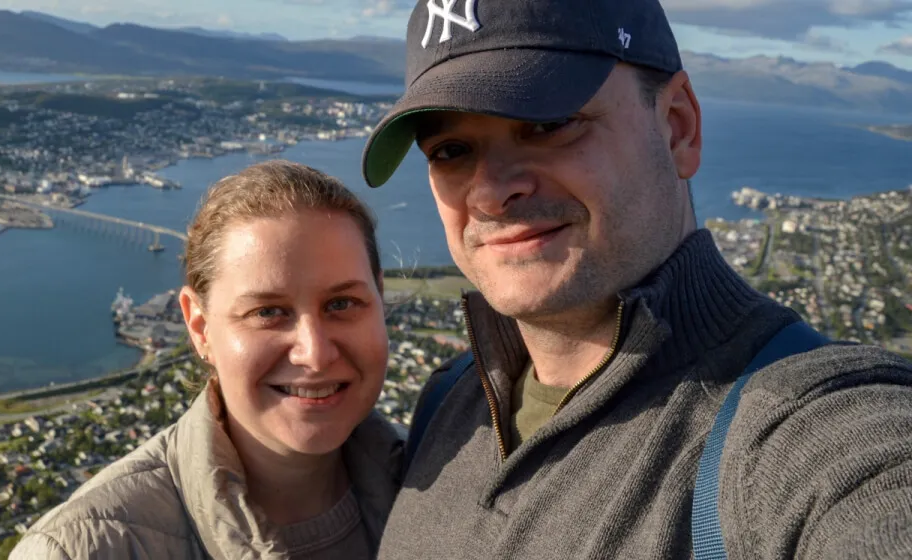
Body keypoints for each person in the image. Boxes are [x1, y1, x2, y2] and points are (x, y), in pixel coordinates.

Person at [358, 0, 912, 558]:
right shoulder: (448, 402)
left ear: (678, 128)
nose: (488, 193)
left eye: (549, 124)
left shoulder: (803, 429)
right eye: (451, 151)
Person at [10, 160, 402, 559]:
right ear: (200, 328)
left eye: (342, 303)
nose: (314, 354)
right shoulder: (82, 549)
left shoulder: (450, 487)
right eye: (267, 312)